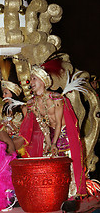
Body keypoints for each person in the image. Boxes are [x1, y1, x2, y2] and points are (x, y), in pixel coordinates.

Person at [18, 59, 87, 199]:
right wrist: (49, 142)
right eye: (30, 79)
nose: (30, 82)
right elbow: (43, 124)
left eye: (34, 78)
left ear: (43, 81)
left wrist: (55, 142)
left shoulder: (56, 98)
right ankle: (54, 191)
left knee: (66, 163)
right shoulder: (33, 104)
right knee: (48, 159)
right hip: (50, 132)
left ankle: (71, 194)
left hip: (64, 132)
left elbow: (59, 123)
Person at [0, 80, 26, 154]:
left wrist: (14, 127)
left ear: (13, 94)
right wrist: (3, 124)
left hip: (19, 136)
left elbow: (28, 126)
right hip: (4, 136)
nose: (3, 96)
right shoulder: (1, 108)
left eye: (6, 93)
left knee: (12, 143)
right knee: (1, 133)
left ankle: (11, 159)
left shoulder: (23, 108)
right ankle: (13, 159)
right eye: (3, 93)